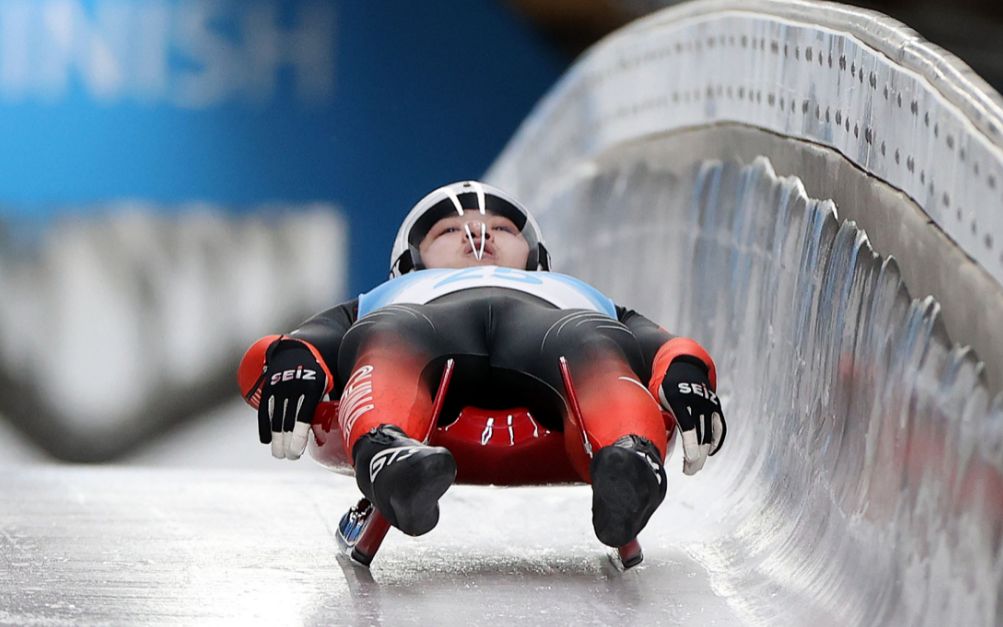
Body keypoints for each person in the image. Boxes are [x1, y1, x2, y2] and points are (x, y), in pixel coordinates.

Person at [238, 181, 726, 547]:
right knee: (386, 338)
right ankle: (391, 454)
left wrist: (684, 371)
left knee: (597, 343)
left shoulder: (578, 296)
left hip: (555, 330)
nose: (477, 234)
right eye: (450, 230)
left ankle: (628, 458)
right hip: (422, 327)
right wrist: (291, 365)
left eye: (502, 229)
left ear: (534, 256)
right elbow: (295, 347)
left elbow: (662, 346)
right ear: (411, 262)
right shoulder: (384, 299)